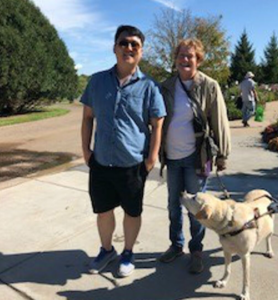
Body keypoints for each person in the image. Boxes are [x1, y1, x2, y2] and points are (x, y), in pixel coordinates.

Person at [80, 25, 166, 277]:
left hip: (132, 164)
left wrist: (151, 159)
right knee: (103, 210)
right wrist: (86, 151)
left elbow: (157, 123)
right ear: (114, 47)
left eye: (134, 45)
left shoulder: (150, 86)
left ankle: (128, 252)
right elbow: (87, 118)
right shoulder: (96, 81)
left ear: (140, 51)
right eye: (124, 43)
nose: (129, 48)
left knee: (132, 211)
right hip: (102, 162)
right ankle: (107, 250)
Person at [158, 38, 231, 274]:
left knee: (196, 209)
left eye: (190, 56)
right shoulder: (167, 86)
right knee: (173, 206)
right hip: (172, 157)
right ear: (176, 59)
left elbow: (219, 122)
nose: (185, 59)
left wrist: (222, 155)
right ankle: (176, 245)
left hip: (196, 158)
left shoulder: (209, 86)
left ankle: (196, 250)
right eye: (181, 55)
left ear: (198, 59)